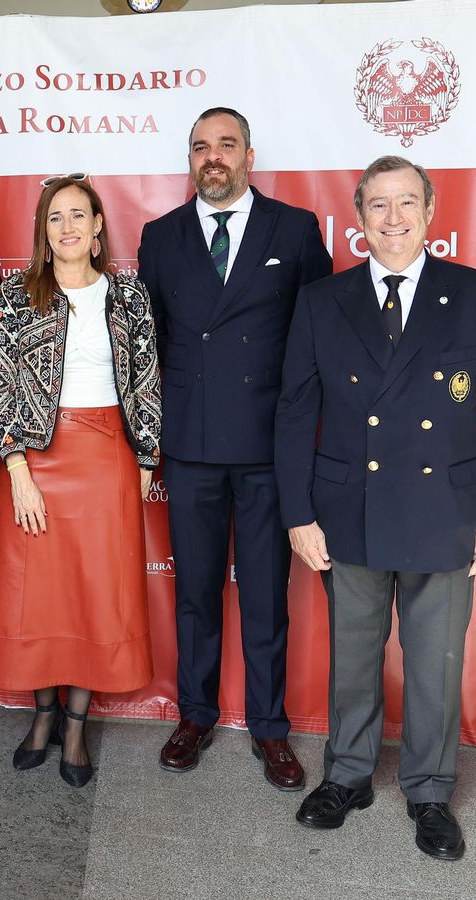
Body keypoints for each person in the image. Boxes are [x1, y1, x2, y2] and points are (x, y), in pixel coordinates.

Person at [276, 156, 476, 861]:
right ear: (359, 218)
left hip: (446, 514)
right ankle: (349, 776)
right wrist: (298, 512)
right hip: (346, 510)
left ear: (431, 211)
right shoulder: (322, 301)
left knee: (434, 663)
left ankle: (429, 790)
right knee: (353, 658)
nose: (393, 219)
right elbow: (296, 413)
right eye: (379, 206)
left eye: (406, 204)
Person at [138, 106, 333, 790]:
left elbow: (320, 339)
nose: (212, 156)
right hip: (189, 446)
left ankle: (270, 728)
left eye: (226, 144)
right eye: (200, 147)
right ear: (189, 159)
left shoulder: (296, 229)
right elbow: (148, 345)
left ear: (250, 153)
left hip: (267, 450)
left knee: (264, 595)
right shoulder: (159, 237)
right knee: (194, 592)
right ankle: (194, 714)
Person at [0, 176, 161, 788]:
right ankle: (42, 715)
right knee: (40, 594)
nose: (68, 227)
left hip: (107, 457)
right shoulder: (17, 294)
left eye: (78, 215)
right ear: (44, 230)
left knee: (93, 593)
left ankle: (76, 727)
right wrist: (18, 470)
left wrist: (144, 461)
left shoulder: (128, 297)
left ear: (99, 224)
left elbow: (146, 381)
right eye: (55, 218)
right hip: (36, 460)